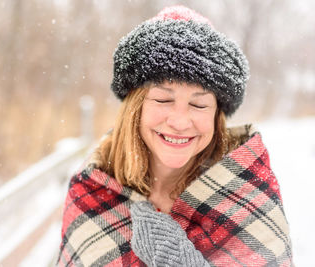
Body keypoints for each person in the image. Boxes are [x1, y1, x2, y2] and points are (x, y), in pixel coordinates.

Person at [57, 5, 293, 267]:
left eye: (199, 104)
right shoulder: (93, 190)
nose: (180, 122)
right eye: (163, 99)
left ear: (216, 116)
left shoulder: (249, 197)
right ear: (136, 107)